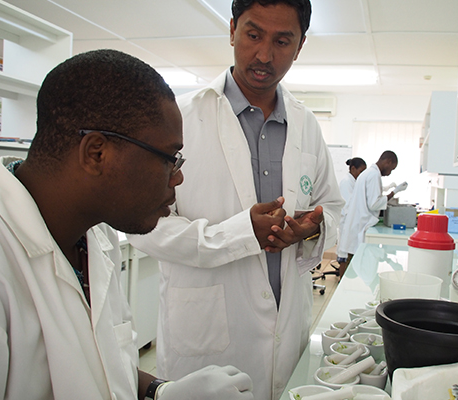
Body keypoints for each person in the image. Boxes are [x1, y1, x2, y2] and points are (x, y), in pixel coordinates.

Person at [0, 49, 253, 400]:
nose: (178, 177)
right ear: (97, 153)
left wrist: (160, 391)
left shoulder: (95, 234)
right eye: (169, 159)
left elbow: (105, 364)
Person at [127, 0, 343, 399]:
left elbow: (332, 206)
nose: (264, 55)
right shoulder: (181, 116)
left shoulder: (306, 123)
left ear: (300, 46)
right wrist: (241, 234)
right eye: (253, 34)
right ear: (231, 30)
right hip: (203, 335)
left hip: (287, 324)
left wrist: (311, 228)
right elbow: (142, 226)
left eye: (282, 41)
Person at [337, 151, 407, 266]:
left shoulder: (369, 173)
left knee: (353, 263)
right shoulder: (374, 175)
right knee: (358, 266)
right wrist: (394, 192)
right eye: (391, 169)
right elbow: (374, 204)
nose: (390, 173)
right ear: (388, 162)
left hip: (356, 224)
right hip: (360, 225)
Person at [336, 157, 367, 277]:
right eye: (360, 172)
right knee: (345, 255)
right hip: (347, 224)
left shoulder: (355, 182)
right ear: (353, 169)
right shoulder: (346, 182)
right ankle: (342, 282)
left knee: (349, 254)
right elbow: (349, 206)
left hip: (352, 223)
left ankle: (347, 281)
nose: (362, 175)